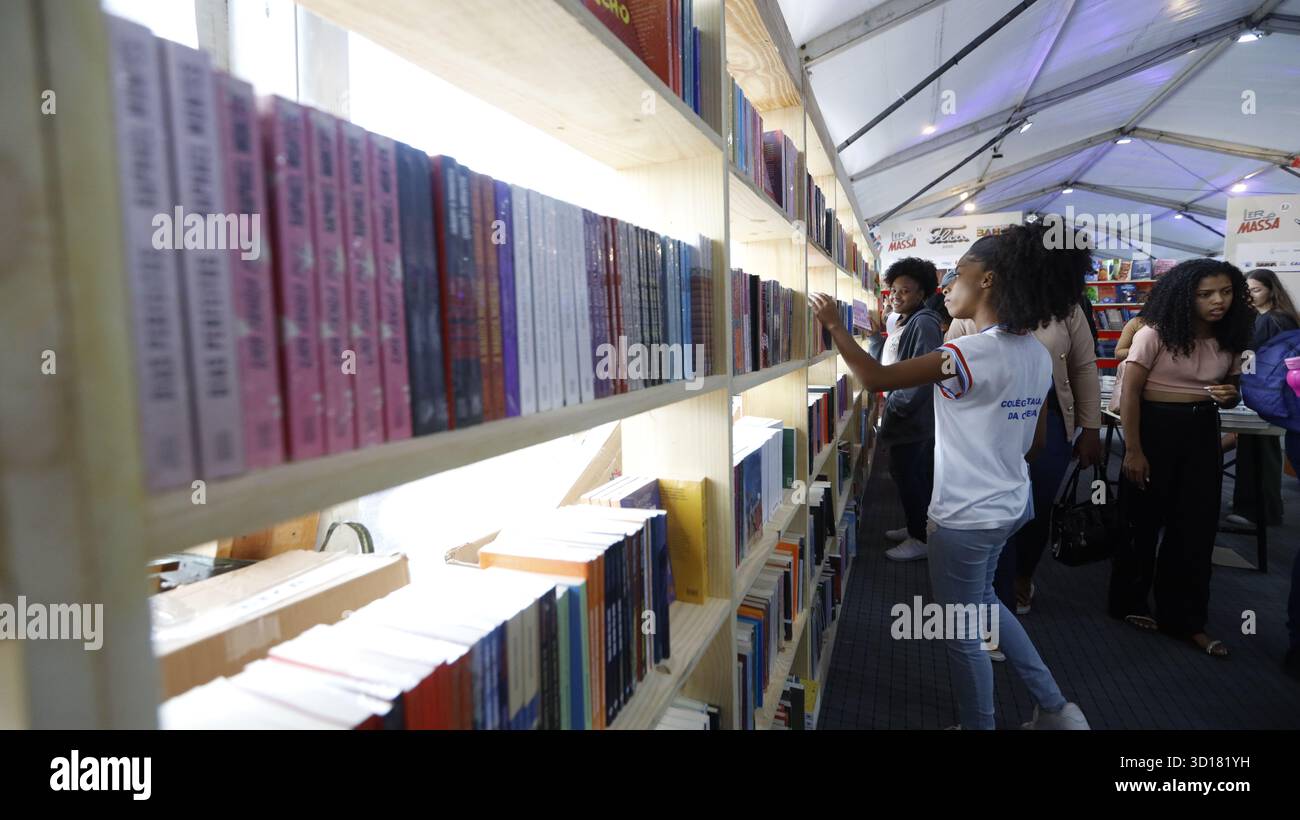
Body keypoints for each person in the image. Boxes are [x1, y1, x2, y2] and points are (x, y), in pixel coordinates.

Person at [810, 223, 1090, 730]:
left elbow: (874, 380)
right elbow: (1038, 442)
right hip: (1010, 504)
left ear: (989, 281)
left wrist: (834, 325)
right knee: (986, 604)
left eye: (958, 274)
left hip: (964, 514)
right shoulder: (1035, 354)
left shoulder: (967, 353)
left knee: (962, 630)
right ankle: (1055, 709)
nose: (947, 287)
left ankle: (983, 724)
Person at [1107, 259, 1254, 658]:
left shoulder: (1232, 337)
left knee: (1196, 527)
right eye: (1205, 294)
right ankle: (1129, 602)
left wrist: (1230, 394)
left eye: (1225, 292)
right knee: (1142, 518)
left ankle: (1186, 619)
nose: (1218, 301)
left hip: (1201, 428)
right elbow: (1131, 394)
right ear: (1184, 296)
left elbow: (1233, 388)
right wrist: (1134, 450)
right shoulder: (1154, 333)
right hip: (1154, 427)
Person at [947, 295, 1102, 616]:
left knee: (1036, 506)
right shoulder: (972, 300)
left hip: (1051, 419)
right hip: (985, 422)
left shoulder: (1065, 306)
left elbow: (1083, 367)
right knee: (992, 506)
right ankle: (992, 590)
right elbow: (949, 367)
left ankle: (1021, 577)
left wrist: (1090, 429)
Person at [878, 258, 944, 562]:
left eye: (905, 291)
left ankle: (921, 538)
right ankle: (914, 525)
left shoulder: (925, 321)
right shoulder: (905, 319)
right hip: (903, 417)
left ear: (922, 293)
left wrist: (895, 405)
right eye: (893, 289)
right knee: (904, 474)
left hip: (914, 420)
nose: (896, 296)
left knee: (913, 476)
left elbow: (921, 375)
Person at [1227, 269, 1300, 528]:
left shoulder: (1275, 319)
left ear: (1271, 289)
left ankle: (1258, 511)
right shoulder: (1266, 317)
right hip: (1265, 392)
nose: (1250, 296)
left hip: (1271, 393)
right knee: (1255, 450)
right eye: (1246, 291)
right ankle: (1255, 506)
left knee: (1261, 451)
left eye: (1256, 290)